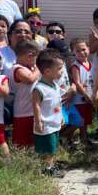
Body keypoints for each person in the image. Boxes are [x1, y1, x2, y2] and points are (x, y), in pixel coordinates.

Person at [33, 49, 65, 178]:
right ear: (47, 71)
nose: (62, 71)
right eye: (59, 68)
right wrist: (38, 121)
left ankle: (50, 166)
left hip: (55, 123)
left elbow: (57, 102)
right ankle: (47, 169)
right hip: (45, 125)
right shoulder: (39, 88)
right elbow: (36, 105)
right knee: (48, 149)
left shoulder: (55, 85)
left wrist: (61, 115)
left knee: (53, 147)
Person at [10, 40, 40, 147]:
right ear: (30, 56)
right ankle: (20, 161)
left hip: (34, 110)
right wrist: (39, 68)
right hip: (23, 111)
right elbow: (29, 79)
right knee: (22, 142)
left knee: (34, 139)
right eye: (36, 57)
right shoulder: (17, 68)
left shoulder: (32, 68)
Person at [70, 38, 94, 148]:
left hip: (89, 96)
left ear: (88, 49)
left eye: (83, 49)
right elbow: (77, 82)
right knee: (79, 120)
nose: (81, 52)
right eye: (77, 51)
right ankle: (68, 137)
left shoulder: (91, 64)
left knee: (86, 120)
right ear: (73, 52)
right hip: (80, 98)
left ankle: (84, 138)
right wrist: (85, 94)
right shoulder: (75, 66)